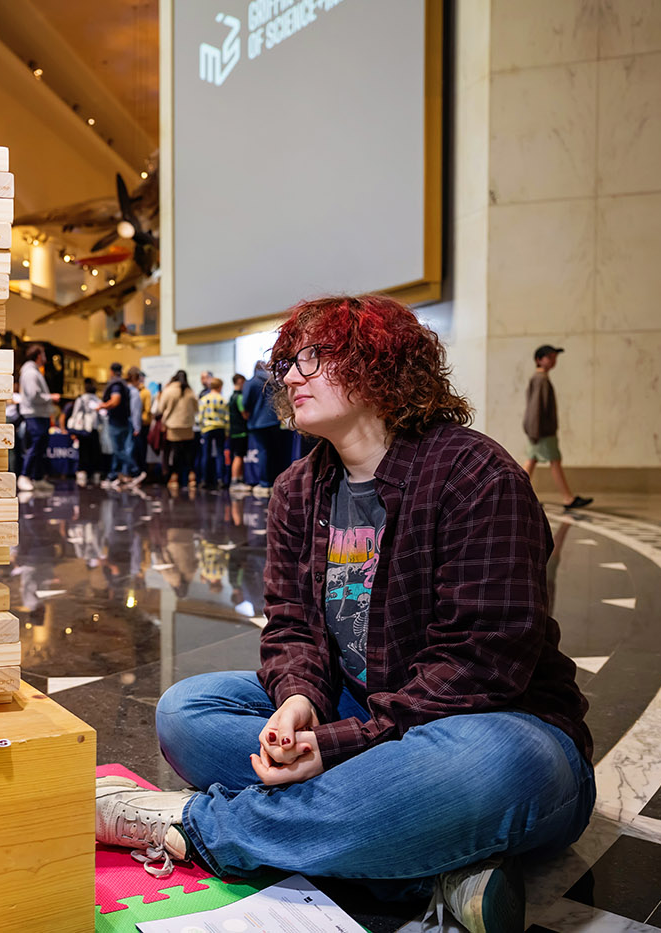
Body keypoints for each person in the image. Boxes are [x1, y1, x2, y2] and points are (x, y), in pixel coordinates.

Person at [95, 295, 594, 933]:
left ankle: (193, 827)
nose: (292, 376)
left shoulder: (476, 475)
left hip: (497, 726)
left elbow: (479, 669)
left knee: (488, 765)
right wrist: (299, 699)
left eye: (313, 357)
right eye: (287, 363)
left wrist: (334, 747)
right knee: (186, 713)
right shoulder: (299, 488)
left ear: (380, 364)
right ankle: (427, 865)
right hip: (363, 715)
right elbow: (292, 627)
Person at [521, 346, 592, 511]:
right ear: (539, 359)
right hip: (541, 432)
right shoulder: (541, 379)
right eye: (549, 357)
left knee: (533, 461)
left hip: (539, 431)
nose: (553, 361)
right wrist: (535, 431)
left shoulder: (540, 378)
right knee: (552, 461)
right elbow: (536, 408)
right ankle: (567, 498)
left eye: (554, 358)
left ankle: (521, 494)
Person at [17, 344, 59, 493]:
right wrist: (50, 397)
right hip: (35, 415)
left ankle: (38, 478)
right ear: (39, 356)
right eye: (43, 354)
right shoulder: (31, 373)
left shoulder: (33, 372)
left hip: (39, 414)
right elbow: (34, 395)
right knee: (35, 447)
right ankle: (24, 476)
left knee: (40, 447)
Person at [101, 362, 142, 487]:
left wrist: (102, 406)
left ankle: (135, 470)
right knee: (120, 449)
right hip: (125, 421)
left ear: (111, 372)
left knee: (117, 450)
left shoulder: (116, 385)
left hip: (116, 422)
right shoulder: (125, 386)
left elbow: (115, 400)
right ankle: (115, 475)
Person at [155, 370, 198, 489]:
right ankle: (191, 476)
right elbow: (196, 408)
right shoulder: (190, 391)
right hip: (188, 425)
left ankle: (175, 477)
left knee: (176, 452)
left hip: (173, 426)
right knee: (189, 452)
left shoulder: (168, 391)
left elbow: (160, 408)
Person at [241, 360, 278, 497]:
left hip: (257, 422)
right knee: (274, 452)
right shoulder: (272, 382)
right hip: (273, 421)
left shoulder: (251, 382)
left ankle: (264, 482)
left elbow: (245, 403)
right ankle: (274, 481)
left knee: (263, 451)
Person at [67, 377, 103, 487]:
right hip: (94, 429)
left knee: (83, 453)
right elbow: (102, 416)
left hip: (83, 430)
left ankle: (82, 477)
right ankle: (95, 476)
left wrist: (73, 430)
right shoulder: (98, 400)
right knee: (95, 453)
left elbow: (75, 414)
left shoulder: (81, 399)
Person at [199, 377, 229, 490]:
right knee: (220, 453)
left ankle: (205, 480)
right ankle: (220, 479)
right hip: (220, 427)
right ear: (220, 386)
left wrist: (202, 429)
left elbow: (201, 416)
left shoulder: (204, 399)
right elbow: (227, 417)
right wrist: (226, 431)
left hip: (207, 428)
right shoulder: (223, 400)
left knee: (205, 454)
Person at [227, 373, 249, 494]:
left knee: (238, 455)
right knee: (239, 456)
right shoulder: (239, 397)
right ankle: (235, 481)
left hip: (234, 431)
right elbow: (244, 414)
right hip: (240, 431)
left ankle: (239, 480)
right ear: (240, 381)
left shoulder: (231, 397)